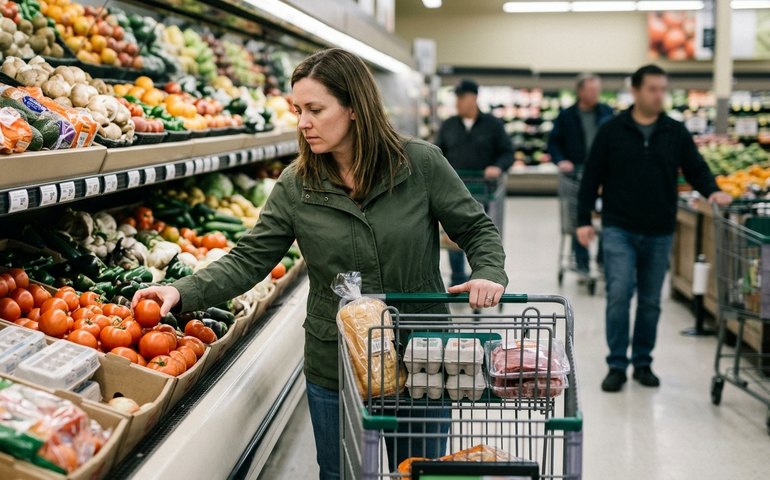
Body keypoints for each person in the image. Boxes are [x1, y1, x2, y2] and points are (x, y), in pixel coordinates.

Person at [132, 49, 507, 479]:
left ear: (354, 107)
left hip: (419, 354)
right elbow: (249, 258)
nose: (303, 123)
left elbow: (476, 228)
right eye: (298, 110)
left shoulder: (419, 164)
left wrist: (487, 272)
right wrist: (180, 290)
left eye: (315, 109)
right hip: (337, 359)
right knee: (339, 473)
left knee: (420, 472)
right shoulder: (297, 185)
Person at [576, 64, 732, 393]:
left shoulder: (674, 131)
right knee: (619, 295)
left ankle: (643, 362)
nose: (659, 95)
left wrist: (713, 191)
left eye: (663, 89)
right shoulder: (611, 130)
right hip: (619, 227)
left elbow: (696, 168)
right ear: (635, 90)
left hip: (660, 230)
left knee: (650, 301)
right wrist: (583, 220)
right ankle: (617, 364)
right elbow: (591, 176)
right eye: (653, 89)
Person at [435, 79, 513, 287]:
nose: (458, 102)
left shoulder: (493, 125)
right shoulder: (449, 125)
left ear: (474, 98)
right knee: (453, 232)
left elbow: (507, 152)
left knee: (480, 233)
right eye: (457, 98)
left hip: (484, 191)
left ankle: (480, 275)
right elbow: (436, 153)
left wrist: (497, 167)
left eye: (461, 97)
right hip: (453, 191)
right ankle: (458, 277)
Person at [548, 73, 614, 275]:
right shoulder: (566, 116)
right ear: (580, 91)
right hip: (575, 176)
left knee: (608, 216)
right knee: (578, 216)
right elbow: (553, 143)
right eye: (591, 90)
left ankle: (603, 261)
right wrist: (561, 160)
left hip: (605, 175)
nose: (596, 93)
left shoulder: (607, 113)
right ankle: (582, 262)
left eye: (597, 90)